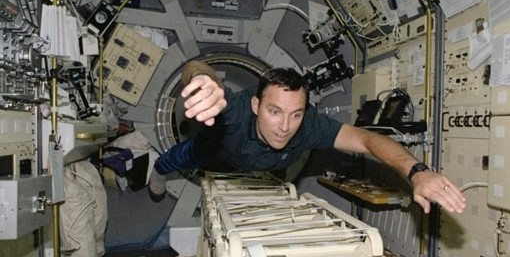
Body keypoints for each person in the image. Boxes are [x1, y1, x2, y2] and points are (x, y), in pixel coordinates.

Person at [149, 61, 466, 214]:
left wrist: (416, 171)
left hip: (269, 164)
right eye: (274, 111)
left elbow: (369, 140)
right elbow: (196, 68)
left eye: (295, 114)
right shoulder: (232, 110)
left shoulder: (310, 126)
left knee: (279, 174)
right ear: (256, 105)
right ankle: (157, 172)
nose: (285, 126)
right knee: (179, 157)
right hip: (218, 151)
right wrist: (202, 79)